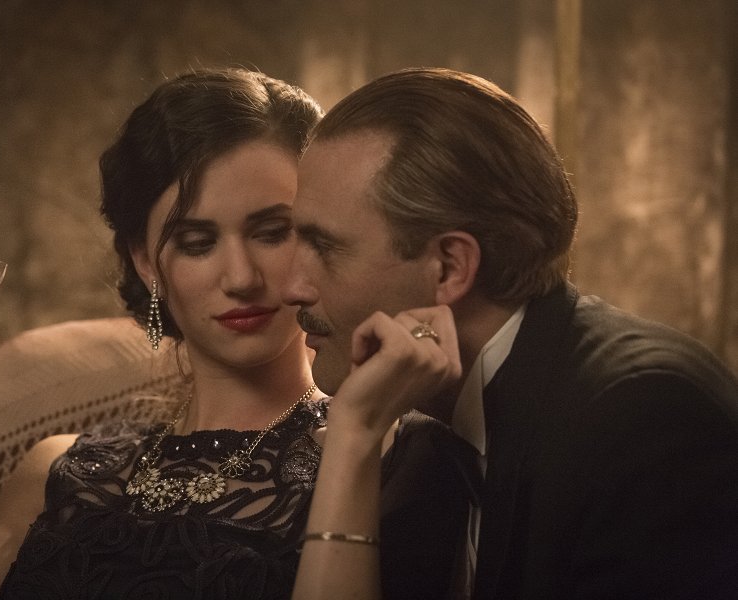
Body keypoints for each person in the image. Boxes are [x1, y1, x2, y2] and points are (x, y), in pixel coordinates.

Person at [0, 68, 472, 600]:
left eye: (272, 232)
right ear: (146, 263)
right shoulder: (61, 467)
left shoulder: (396, 454)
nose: (241, 278)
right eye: (196, 242)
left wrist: (354, 436)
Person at [286, 66, 738, 600]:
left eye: (324, 246)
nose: (292, 287)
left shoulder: (645, 416)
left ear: (450, 268)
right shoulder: (426, 438)